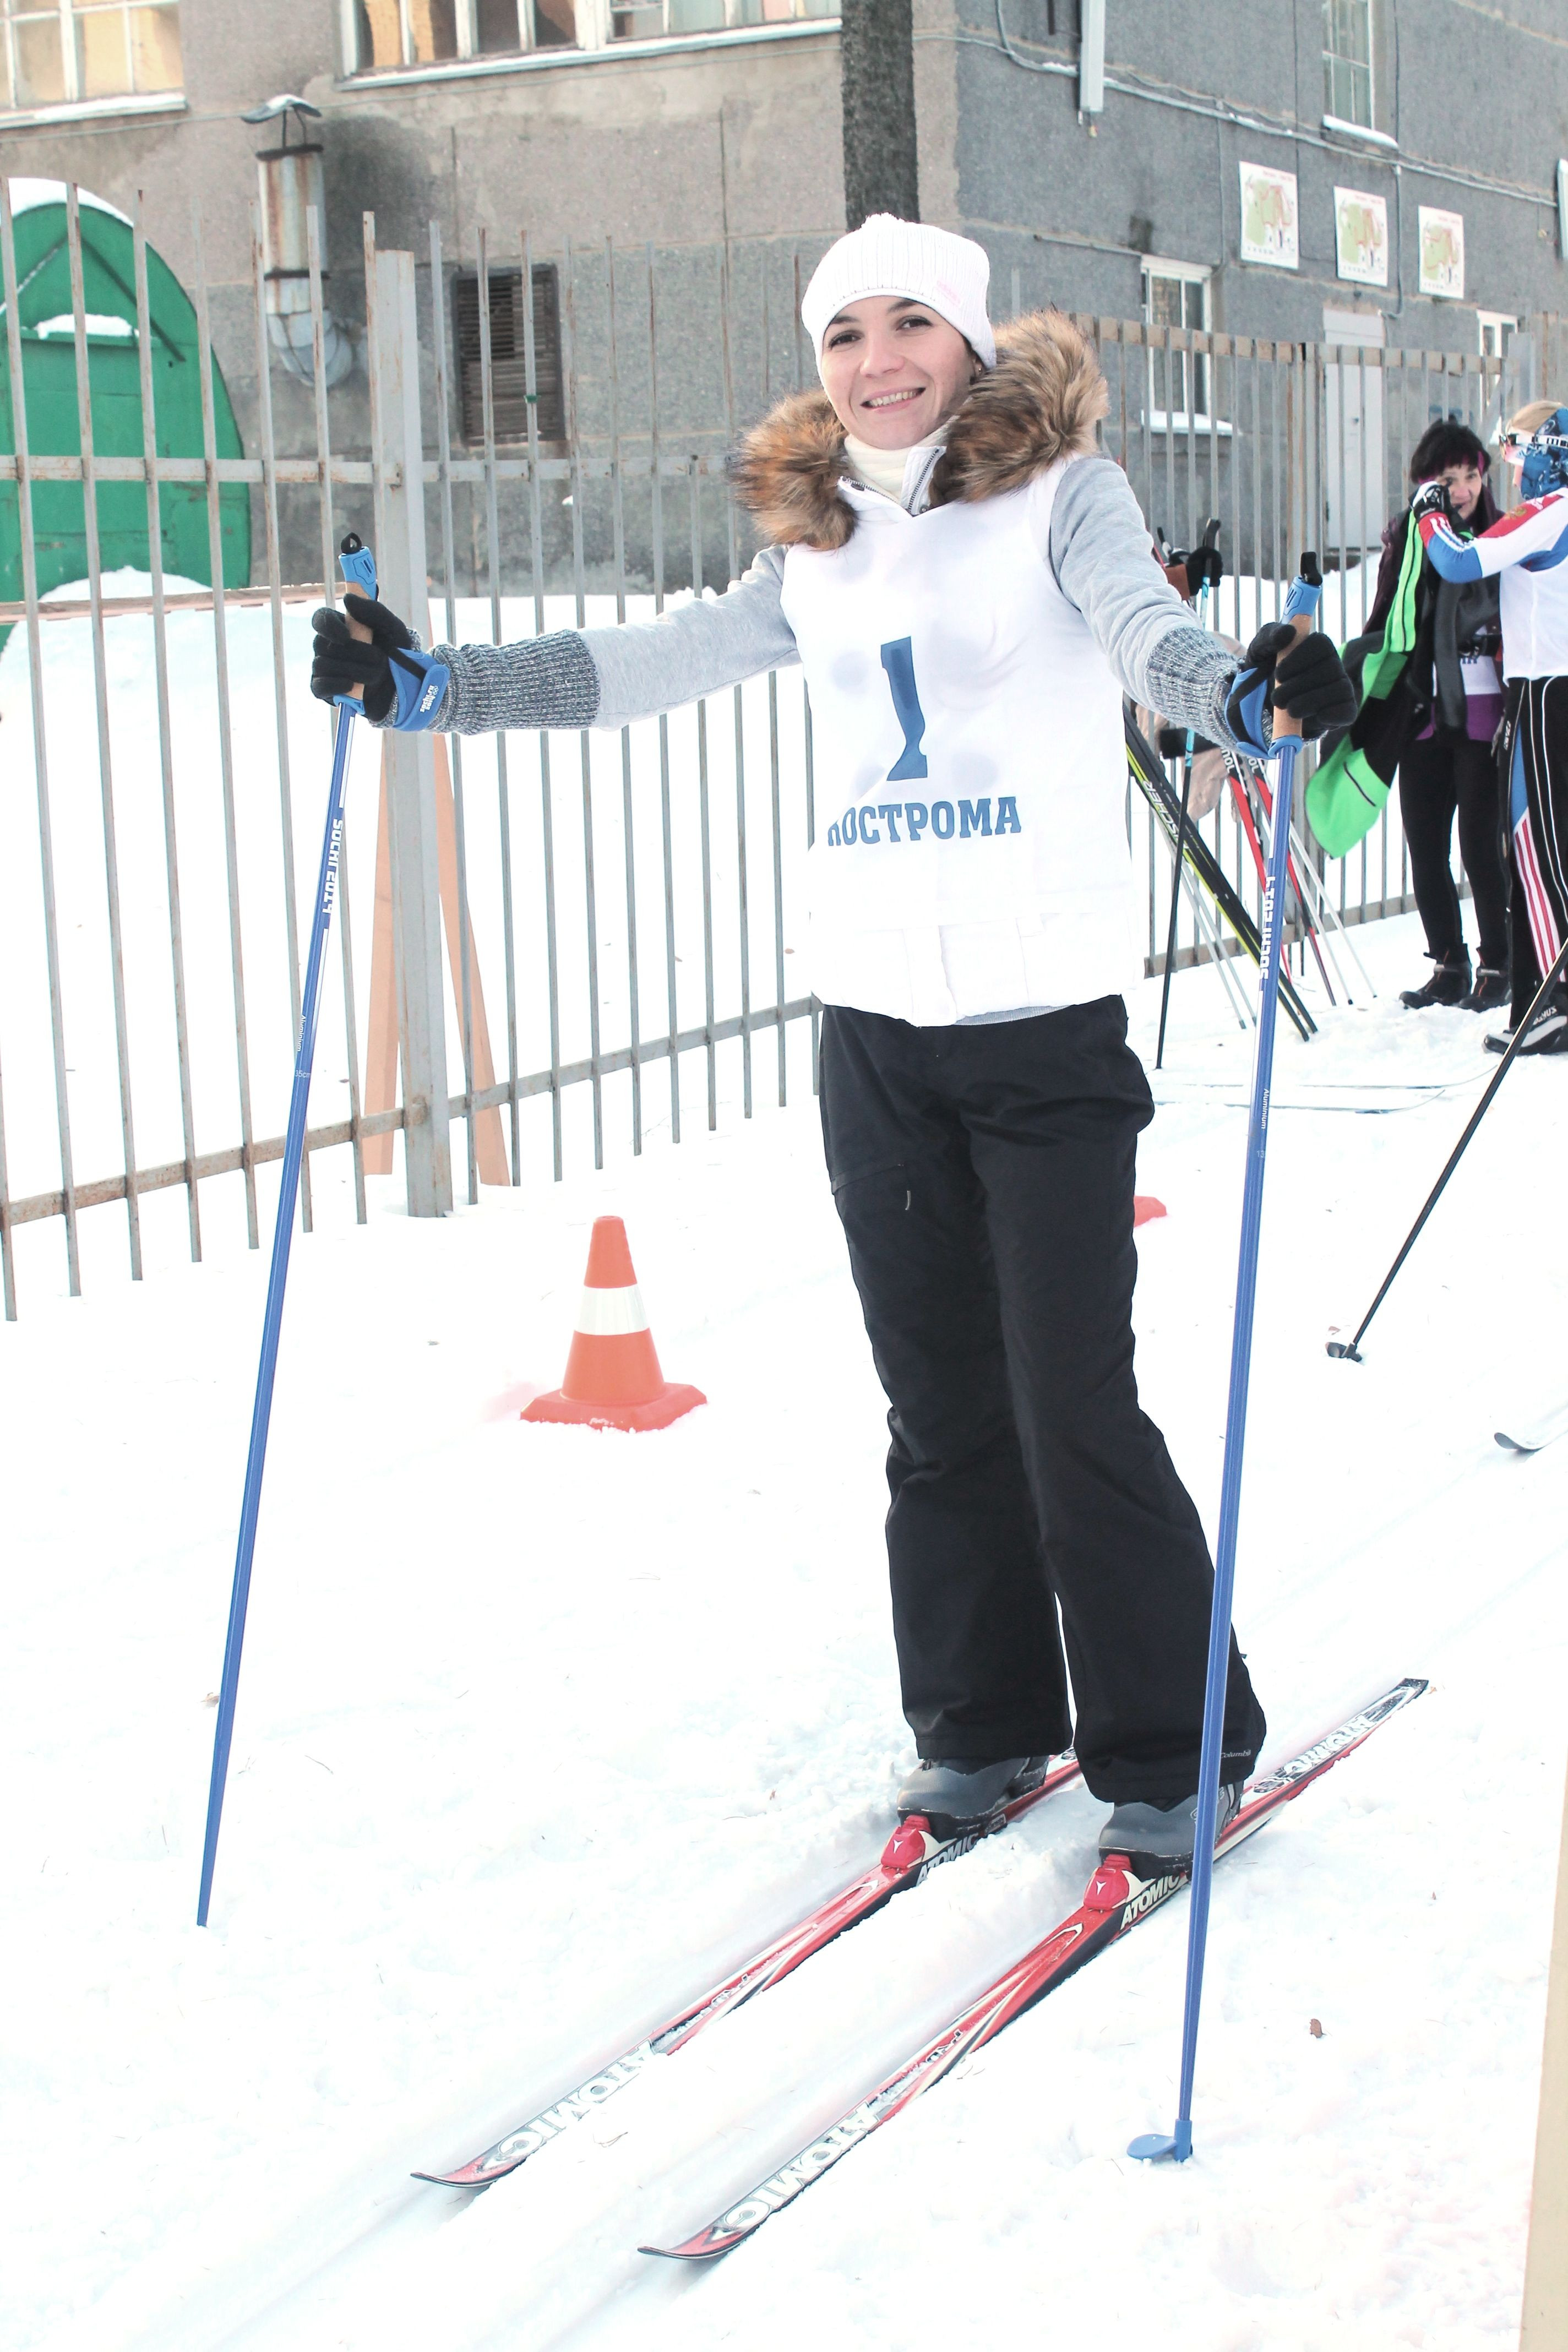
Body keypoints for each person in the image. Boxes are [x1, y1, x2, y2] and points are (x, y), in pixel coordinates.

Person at [312, 217, 1355, 1871]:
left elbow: (1142, 633)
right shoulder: (811, 545)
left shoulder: (1061, 496)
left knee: (1071, 1396)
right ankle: (985, 1719)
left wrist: (1241, 696)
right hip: (874, 1026)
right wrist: (442, 685)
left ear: (967, 337)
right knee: (939, 1403)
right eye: (846, 334)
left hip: (1042, 1024)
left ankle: (1172, 1740)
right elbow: (651, 659)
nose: (879, 361)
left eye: (910, 326)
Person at [1415, 401, 1568, 1055]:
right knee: (1543, 846)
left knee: (1533, 852)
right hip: (1543, 690)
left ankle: (1547, 1001)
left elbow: (1456, 560)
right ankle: (1548, 992)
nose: (1511, 473)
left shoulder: (1548, 510)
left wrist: (1428, 511)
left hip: (1544, 694)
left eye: (1516, 455)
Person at [1363, 423, 1509, 1012]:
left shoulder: (1500, 537)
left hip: (1481, 716)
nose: (1465, 488)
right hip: (1422, 713)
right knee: (1425, 845)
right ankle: (1449, 963)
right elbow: (1386, 617)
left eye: (1472, 475)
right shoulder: (1407, 540)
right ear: (1426, 483)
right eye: (1450, 479)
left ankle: (1499, 962)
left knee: (1479, 846)